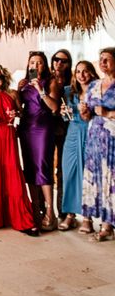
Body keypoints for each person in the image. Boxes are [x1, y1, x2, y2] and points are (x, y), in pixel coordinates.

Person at [0, 66, 38, 236]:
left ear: (4, 78)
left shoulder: (12, 94)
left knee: (13, 175)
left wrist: (16, 113)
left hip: (8, 136)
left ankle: (23, 219)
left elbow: (22, 113)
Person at [18, 51, 60, 231]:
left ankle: (51, 212)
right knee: (30, 168)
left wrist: (40, 90)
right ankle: (36, 208)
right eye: (32, 62)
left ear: (45, 65)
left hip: (43, 128)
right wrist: (17, 94)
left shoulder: (51, 82)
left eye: (39, 62)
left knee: (43, 166)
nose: (35, 65)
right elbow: (19, 108)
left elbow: (54, 108)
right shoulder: (23, 83)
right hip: (26, 127)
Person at [79, 47, 115, 242]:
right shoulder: (93, 86)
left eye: (107, 59)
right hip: (94, 139)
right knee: (98, 179)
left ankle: (108, 225)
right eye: (100, 59)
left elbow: (104, 112)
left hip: (113, 139)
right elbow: (87, 116)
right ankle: (102, 221)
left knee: (112, 181)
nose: (102, 63)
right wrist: (84, 111)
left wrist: (109, 113)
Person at [58, 61, 98, 232]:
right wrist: (63, 112)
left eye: (86, 71)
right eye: (78, 72)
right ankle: (70, 214)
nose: (82, 75)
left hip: (91, 134)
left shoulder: (98, 91)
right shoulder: (69, 91)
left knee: (86, 176)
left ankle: (87, 217)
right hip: (72, 136)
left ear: (92, 74)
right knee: (69, 175)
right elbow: (67, 118)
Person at [50, 49, 73, 220]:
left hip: (66, 129)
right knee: (45, 169)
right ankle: (45, 209)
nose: (59, 63)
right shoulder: (44, 79)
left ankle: (63, 211)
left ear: (68, 64)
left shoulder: (73, 82)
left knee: (63, 171)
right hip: (45, 129)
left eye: (63, 61)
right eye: (56, 59)